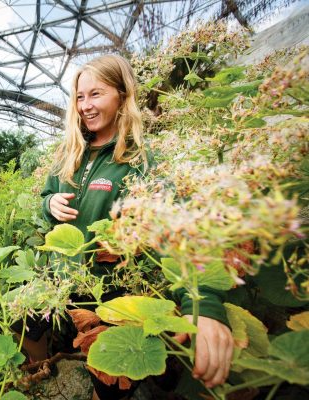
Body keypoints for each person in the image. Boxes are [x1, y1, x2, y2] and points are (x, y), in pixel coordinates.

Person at [38, 55, 233, 398]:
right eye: (80, 97)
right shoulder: (68, 154)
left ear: (122, 95)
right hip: (60, 287)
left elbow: (178, 228)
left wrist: (204, 306)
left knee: (110, 379)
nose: (85, 105)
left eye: (96, 94)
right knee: (55, 340)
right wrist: (48, 204)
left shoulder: (138, 162)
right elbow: (47, 194)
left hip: (109, 296)